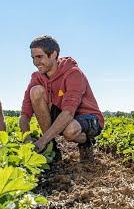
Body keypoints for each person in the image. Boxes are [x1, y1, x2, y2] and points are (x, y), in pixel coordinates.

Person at [19, 35, 104, 163]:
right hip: (64, 115)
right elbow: (25, 114)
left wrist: (41, 141)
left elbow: (68, 113)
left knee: (70, 131)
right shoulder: (37, 77)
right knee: (36, 91)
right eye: (33, 58)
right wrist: (26, 139)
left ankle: (86, 142)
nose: (35, 62)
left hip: (88, 117)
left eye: (39, 57)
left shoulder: (73, 73)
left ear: (53, 54)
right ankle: (51, 148)